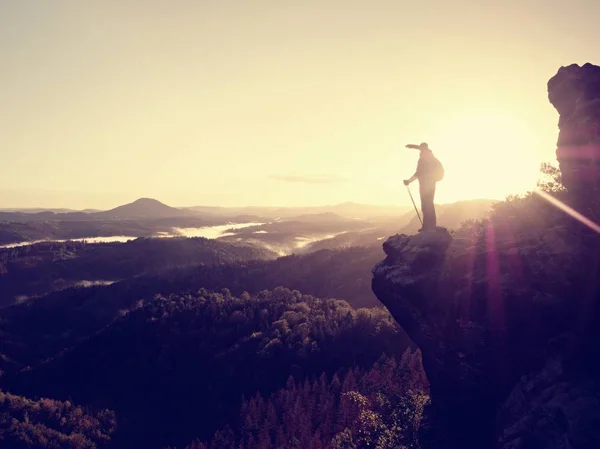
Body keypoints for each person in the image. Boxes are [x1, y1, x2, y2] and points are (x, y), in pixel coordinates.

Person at [403, 142, 443, 232]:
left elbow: (418, 173)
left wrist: (408, 181)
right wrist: (414, 147)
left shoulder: (424, 159)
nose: (420, 152)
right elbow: (423, 149)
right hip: (430, 184)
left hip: (425, 184)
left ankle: (428, 226)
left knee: (426, 204)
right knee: (428, 204)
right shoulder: (430, 157)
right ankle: (429, 226)